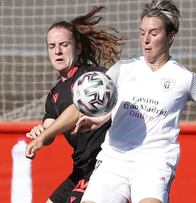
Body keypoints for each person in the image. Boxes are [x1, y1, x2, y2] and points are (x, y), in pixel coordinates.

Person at [26, 1, 196, 202]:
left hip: (154, 163)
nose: (145, 40)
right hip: (114, 159)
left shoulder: (185, 78)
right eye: (142, 33)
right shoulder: (123, 69)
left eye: (153, 33)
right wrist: (46, 136)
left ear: (170, 36)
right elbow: (79, 106)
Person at [25, 6, 124, 203]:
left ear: (78, 47)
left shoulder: (92, 78)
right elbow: (50, 130)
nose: (58, 51)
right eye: (52, 46)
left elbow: (77, 111)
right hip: (80, 168)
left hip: (102, 165)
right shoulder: (53, 95)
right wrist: (41, 134)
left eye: (63, 44)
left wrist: (45, 134)